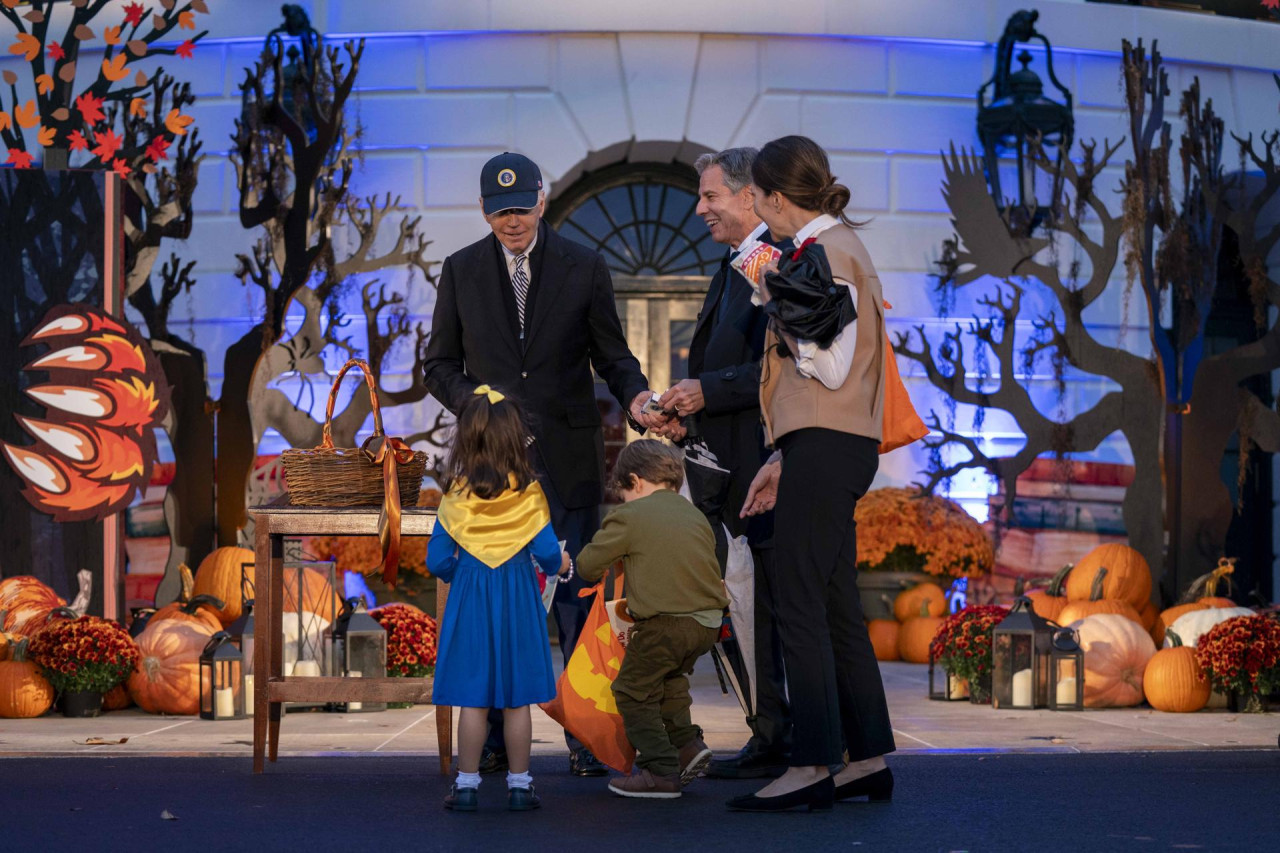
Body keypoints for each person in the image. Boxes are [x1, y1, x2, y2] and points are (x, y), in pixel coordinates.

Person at [423, 152, 666, 777]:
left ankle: (586, 737)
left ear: (542, 201)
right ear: (483, 210)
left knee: (576, 602)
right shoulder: (460, 270)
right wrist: (480, 410)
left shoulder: (584, 265)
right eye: (500, 210)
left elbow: (614, 355)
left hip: (568, 460)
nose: (512, 221)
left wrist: (639, 399)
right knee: (501, 604)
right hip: (490, 471)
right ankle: (499, 745)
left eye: (522, 208)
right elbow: (439, 366)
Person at [728, 135, 896, 812]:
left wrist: (770, 292)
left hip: (828, 443)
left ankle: (814, 763)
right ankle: (865, 757)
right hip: (828, 444)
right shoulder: (835, 250)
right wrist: (780, 456)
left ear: (771, 196)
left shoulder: (824, 254)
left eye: (755, 197)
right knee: (832, 603)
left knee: (797, 599)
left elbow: (825, 365)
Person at [656, 147, 792, 779]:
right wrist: (690, 408)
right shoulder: (733, 262)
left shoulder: (769, 259)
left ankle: (778, 734)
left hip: (764, 466)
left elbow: (783, 361)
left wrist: (710, 390)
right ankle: (767, 729)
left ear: (748, 197)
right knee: (745, 603)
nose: (700, 206)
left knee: (762, 603)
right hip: (727, 463)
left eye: (710, 195)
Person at [428, 386, 571, 812]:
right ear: (515, 440)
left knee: (473, 699)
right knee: (516, 699)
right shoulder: (528, 494)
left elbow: (437, 559)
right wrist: (560, 564)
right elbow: (546, 553)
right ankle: (521, 785)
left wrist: (463, 574)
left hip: (471, 597)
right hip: (517, 600)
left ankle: (467, 785)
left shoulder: (455, 494)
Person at [575, 440, 729, 799]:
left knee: (632, 691)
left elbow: (587, 566)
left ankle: (660, 769)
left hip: (665, 624)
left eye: (624, 492)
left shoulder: (631, 515)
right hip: (707, 623)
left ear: (635, 481)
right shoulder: (694, 515)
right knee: (669, 681)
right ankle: (688, 746)